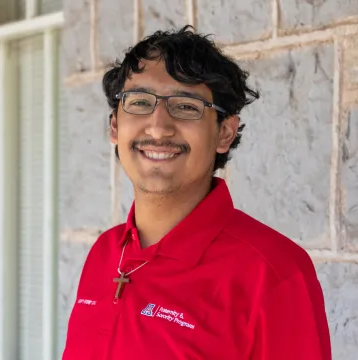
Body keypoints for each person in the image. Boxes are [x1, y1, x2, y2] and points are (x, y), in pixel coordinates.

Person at [62, 25, 331, 359]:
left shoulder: (274, 274)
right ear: (115, 126)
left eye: (187, 106)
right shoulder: (104, 253)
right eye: (140, 102)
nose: (158, 127)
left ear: (225, 133)